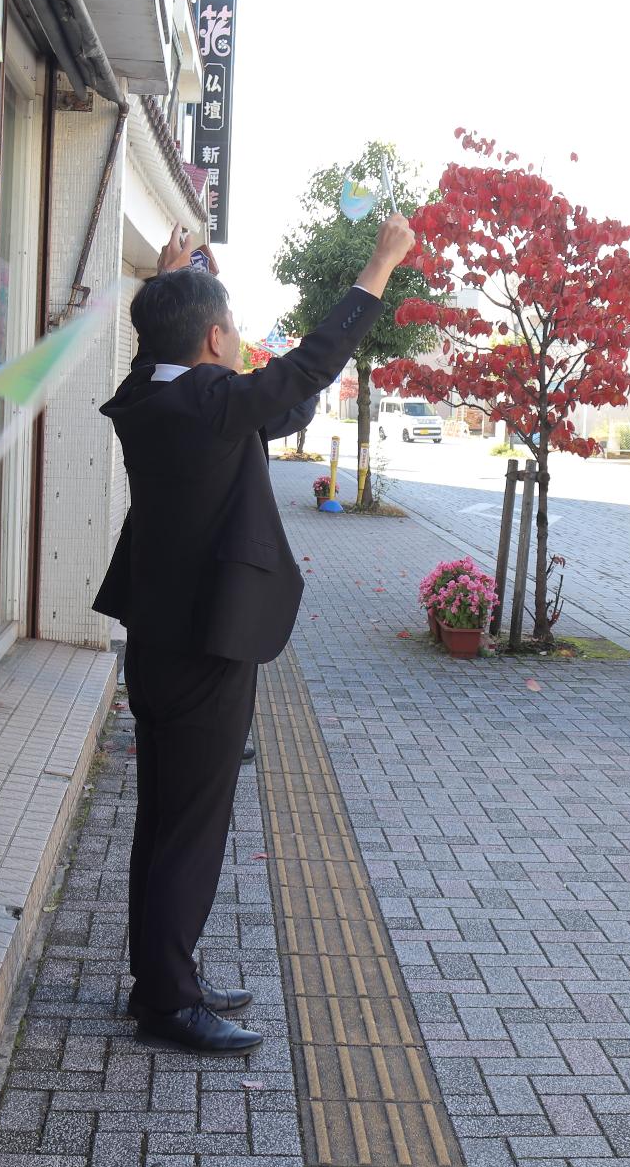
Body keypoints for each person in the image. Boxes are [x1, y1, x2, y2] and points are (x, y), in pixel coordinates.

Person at [94, 213, 415, 1053]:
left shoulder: (145, 396)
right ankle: (168, 1001)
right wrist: (378, 268)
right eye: (232, 327)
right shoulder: (209, 400)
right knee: (192, 825)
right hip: (209, 644)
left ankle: (161, 979)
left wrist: (167, 280)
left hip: (156, 640)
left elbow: (170, 358)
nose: (240, 340)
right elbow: (309, 365)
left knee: (163, 815)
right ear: (211, 336)